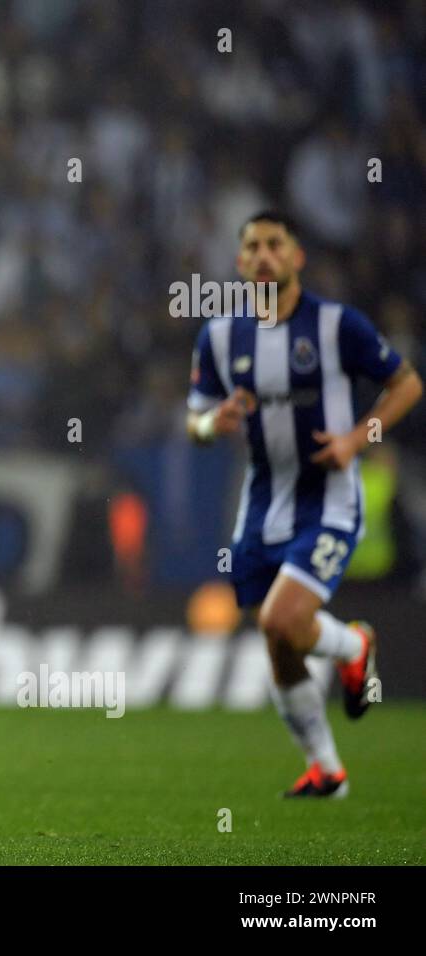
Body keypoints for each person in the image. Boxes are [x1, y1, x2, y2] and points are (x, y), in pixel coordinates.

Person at [187, 210, 422, 797]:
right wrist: (212, 422)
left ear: (296, 258)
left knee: (279, 620)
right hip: (263, 505)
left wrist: (357, 440)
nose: (264, 255)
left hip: (329, 502)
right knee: (278, 639)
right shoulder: (219, 336)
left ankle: (353, 646)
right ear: (240, 263)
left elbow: (408, 385)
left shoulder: (337, 326)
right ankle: (328, 769)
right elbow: (193, 422)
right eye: (253, 247)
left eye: (275, 244)